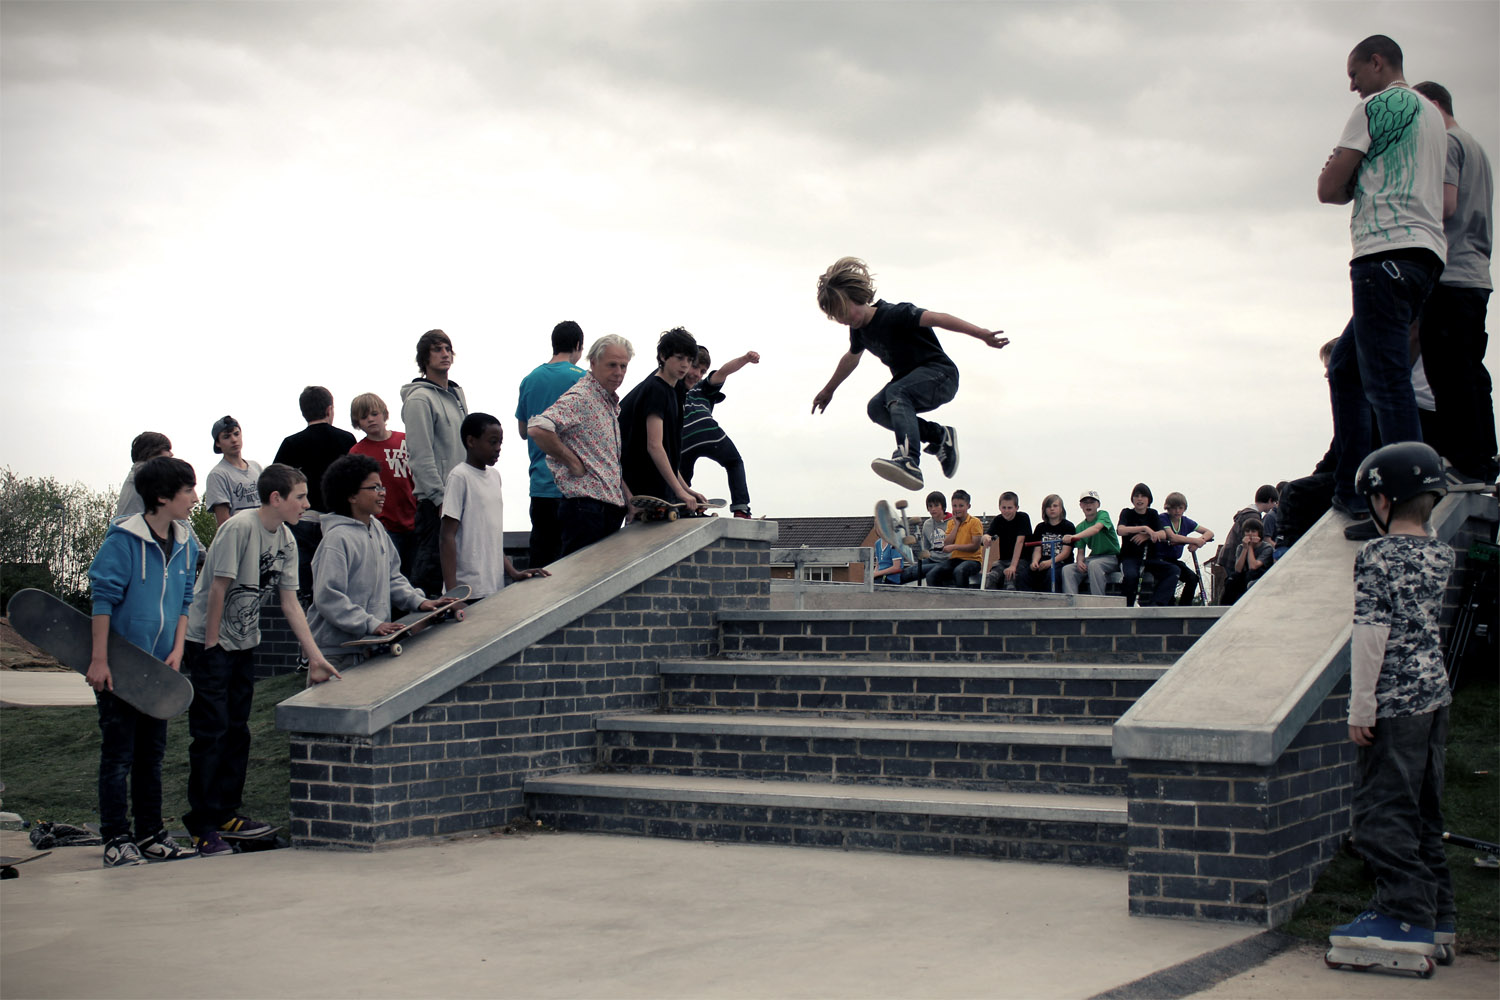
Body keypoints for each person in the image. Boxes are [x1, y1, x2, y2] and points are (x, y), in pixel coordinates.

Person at [1327, 442, 1453, 968]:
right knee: (1424, 808)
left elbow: (1371, 634)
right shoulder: (1440, 552)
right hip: (1433, 698)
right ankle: (1438, 913)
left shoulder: (1376, 556)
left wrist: (1361, 708)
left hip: (1393, 703)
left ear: (1382, 500)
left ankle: (1402, 915)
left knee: (1381, 812)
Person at [1316, 35, 1448, 541]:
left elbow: (1328, 189)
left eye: (1354, 74)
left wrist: (1348, 173)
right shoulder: (1432, 114)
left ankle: (1403, 512)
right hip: (1424, 256)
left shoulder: (1376, 106)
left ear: (1377, 63)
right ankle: (1352, 493)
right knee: (1347, 368)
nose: (1352, 86)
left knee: (1387, 381)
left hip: (1382, 252)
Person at [182, 464, 336, 857]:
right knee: (211, 732)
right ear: (276, 498)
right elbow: (217, 589)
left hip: (243, 643)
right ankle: (202, 825)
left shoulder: (286, 539)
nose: (306, 504)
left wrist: (315, 657)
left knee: (238, 731)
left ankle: (226, 814)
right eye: (300, 497)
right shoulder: (239, 528)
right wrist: (213, 647)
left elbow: (290, 603)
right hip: (209, 641)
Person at [87, 456, 201, 866]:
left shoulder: (187, 541)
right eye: (187, 490)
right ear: (161, 496)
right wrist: (99, 661)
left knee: (152, 755)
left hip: (159, 668)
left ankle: (151, 834)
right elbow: (102, 601)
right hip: (121, 667)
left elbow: (185, 599)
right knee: (119, 755)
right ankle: (117, 839)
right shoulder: (122, 541)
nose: (194, 497)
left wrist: (177, 648)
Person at [811, 256, 1008, 490]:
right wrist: (828, 390)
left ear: (857, 298)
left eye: (844, 312)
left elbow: (939, 318)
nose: (843, 320)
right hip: (911, 384)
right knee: (876, 408)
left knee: (897, 391)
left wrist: (981, 334)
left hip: (940, 376)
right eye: (837, 317)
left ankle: (909, 460)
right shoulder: (860, 332)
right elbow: (851, 359)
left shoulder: (896, 314)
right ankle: (938, 435)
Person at [1410, 81, 1496, 485]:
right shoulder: (1475, 146)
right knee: (1471, 371)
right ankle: (1481, 456)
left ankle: (1460, 459)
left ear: (1433, 105)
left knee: (1447, 374)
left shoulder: (1446, 143)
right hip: (1477, 274)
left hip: (1451, 273)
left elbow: (1444, 204)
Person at [307, 454, 456, 678]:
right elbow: (328, 597)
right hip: (337, 652)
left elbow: (392, 578)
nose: (382, 492)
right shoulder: (336, 539)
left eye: (382, 486)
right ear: (351, 495)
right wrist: (371, 624)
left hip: (369, 644)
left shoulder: (376, 528)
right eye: (374, 487)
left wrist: (420, 602)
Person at [527, 334, 635, 556]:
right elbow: (538, 428)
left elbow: (606, 461)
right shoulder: (582, 395)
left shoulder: (607, 401)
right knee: (583, 582)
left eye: (623, 366)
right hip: (585, 509)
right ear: (593, 363)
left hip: (604, 508)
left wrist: (627, 496)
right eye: (612, 365)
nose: (619, 372)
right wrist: (572, 461)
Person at [441, 413, 549, 600]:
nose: (498, 448)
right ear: (471, 441)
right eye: (492, 442)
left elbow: (490, 535)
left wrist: (513, 572)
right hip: (467, 590)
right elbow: (446, 536)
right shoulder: (459, 477)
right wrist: (452, 596)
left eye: (500, 443)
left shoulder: (494, 476)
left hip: (493, 587)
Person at [400, 329, 470, 596]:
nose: (444, 354)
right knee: (430, 575)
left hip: (460, 496)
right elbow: (420, 455)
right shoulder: (419, 398)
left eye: (447, 349)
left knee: (457, 572)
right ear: (424, 357)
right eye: (437, 349)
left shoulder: (456, 395)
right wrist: (440, 498)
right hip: (435, 504)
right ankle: (420, 633)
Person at [515, 321, 588, 568]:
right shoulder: (584, 380)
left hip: (540, 485)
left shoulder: (529, 379)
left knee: (541, 565)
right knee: (574, 567)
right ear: (578, 345)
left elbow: (523, 431)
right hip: (574, 486)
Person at [273, 386, 357, 597]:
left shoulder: (291, 444)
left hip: (303, 519)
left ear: (303, 412)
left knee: (305, 582)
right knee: (338, 580)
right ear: (330, 409)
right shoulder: (346, 440)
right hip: (339, 520)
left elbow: (276, 479)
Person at [619, 327, 708, 514]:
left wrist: (685, 488)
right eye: (679, 358)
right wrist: (679, 491)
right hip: (644, 488)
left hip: (658, 487)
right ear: (663, 356)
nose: (685, 365)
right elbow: (654, 445)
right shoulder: (656, 390)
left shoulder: (673, 392)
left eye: (689, 360)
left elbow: (668, 453)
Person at [681, 345, 760, 518]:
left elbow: (723, 371)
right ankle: (741, 508)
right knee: (734, 462)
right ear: (684, 364)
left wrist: (744, 359)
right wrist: (745, 359)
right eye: (694, 367)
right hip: (709, 432)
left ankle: (682, 505)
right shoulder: (703, 387)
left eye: (702, 371)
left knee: (681, 474)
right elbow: (724, 371)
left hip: (683, 441)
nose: (697, 375)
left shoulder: (673, 388)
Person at [348, 392, 417, 578]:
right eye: (363, 417)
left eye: (374, 414)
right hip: (383, 525)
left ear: (384, 414)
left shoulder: (406, 440)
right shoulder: (357, 453)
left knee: (417, 577)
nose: (370, 420)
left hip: (415, 520)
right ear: (357, 422)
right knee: (390, 576)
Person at [1116, 484, 1176, 607]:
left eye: (1143, 496)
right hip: (1130, 558)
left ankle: (1157, 603)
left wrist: (1147, 536)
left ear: (1149, 499)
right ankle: (1126, 606)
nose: (1139, 499)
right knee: (1132, 576)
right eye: (1136, 496)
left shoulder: (1153, 514)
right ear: (1132, 499)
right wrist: (1145, 528)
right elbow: (1121, 530)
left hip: (1150, 558)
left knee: (1173, 570)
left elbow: (1163, 534)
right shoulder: (1127, 512)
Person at [204, 415, 264, 527]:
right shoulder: (217, 475)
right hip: (240, 538)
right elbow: (224, 523)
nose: (234, 440)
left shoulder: (256, 467)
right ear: (218, 443)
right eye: (226, 437)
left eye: (236, 434)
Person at [1156, 493, 1214, 606]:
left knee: (1192, 578)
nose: (1177, 511)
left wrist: (1199, 541)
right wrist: (1194, 541)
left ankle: (1184, 606)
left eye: (1180, 508)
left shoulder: (1185, 521)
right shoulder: (1163, 519)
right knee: (1173, 573)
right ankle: (1167, 603)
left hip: (1173, 560)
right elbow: (1172, 536)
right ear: (1168, 508)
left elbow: (1209, 533)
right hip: (1160, 558)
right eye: (1174, 508)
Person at [1062, 490, 1120, 596]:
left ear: (1098, 504)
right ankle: (1071, 604)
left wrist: (1074, 537)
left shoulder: (1103, 514)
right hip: (1093, 558)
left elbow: (1096, 529)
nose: (1088, 505)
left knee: (1094, 565)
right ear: (1080, 505)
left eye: (1092, 502)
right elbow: (1080, 551)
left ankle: (1097, 602)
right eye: (1085, 502)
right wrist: (1080, 562)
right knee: (1068, 570)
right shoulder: (1080, 527)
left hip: (1111, 557)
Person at [925, 489, 983, 587]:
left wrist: (955, 546)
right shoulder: (952, 523)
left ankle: (962, 599)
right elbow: (947, 543)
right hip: (955, 559)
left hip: (973, 561)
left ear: (968, 506)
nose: (957, 509)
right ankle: (937, 599)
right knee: (931, 574)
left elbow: (975, 546)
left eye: (961, 506)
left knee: (959, 571)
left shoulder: (975, 522)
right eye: (954, 506)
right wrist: (956, 526)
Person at [113, 431, 171, 520]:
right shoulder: (151, 477)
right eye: (167, 450)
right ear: (153, 451)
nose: (171, 454)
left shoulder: (137, 475)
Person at [981, 491, 1033, 590]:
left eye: (1010, 508)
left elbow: (1020, 542)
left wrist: (1013, 566)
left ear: (1016, 508)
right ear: (999, 507)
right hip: (1003, 560)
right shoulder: (998, 520)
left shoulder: (1023, 518)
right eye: (1003, 508)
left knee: (1010, 578)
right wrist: (986, 538)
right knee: (991, 577)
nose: (1006, 511)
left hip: (1022, 560)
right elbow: (987, 534)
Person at [1026, 494, 1075, 594]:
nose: (1052, 509)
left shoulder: (1068, 526)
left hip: (1060, 562)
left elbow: (1066, 553)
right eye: (1049, 506)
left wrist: (1050, 562)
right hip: (1042, 561)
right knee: (1024, 575)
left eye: (1055, 506)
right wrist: (1034, 562)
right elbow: (1037, 549)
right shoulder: (1040, 527)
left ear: (1061, 508)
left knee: (1051, 574)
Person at [1220, 517, 1273, 606]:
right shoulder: (1241, 547)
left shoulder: (1267, 548)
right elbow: (1238, 569)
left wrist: (1251, 547)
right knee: (1231, 579)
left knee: (1251, 574)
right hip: (1245, 574)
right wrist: (1245, 548)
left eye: (1253, 531)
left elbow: (1253, 566)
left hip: (1261, 574)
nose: (1250, 534)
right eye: (1247, 531)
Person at [915, 491, 951, 583]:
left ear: (943, 506)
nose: (933, 509)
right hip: (932, 558)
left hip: (948, 560)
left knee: (930, 574)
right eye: (930, 506)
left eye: (936, 505)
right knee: (909, 572)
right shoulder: (927, 524)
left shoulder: (953, 522)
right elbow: (926, 548)